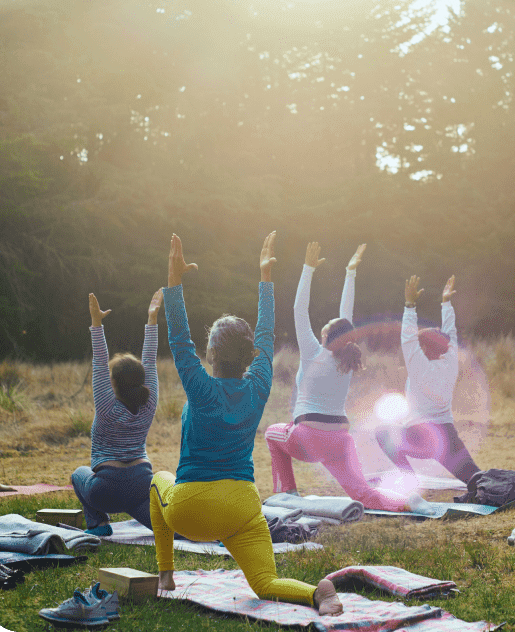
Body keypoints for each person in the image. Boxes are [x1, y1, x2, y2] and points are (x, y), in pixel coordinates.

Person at [150, 233, 342, 615]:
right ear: (250, 354)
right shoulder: (258, 387)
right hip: (242, 507)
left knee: (158, 478)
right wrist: (265, 279)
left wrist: (174, 283)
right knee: (265, 584)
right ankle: (316, 593)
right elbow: (267, 337)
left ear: (212, 354)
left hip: (191, 510)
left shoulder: (201, 387)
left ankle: (166, 574)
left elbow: (178, 337)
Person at [265, 242, 423, 513]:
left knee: (271, 433)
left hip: (307, 438)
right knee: (363, 493)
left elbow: (299, 309)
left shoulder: (313, 353)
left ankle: (287, 493)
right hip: (340, 439)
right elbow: (346, 317)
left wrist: (308, 269)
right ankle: (407, 503)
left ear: (325, 336)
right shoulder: (347, 361)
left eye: (325, 328)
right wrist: (350, 274)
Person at [376, 275, 481, 488]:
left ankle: (409, 478)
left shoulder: (419, 367)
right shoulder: (451, 361)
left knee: (382, 433)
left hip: (420, 438)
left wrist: (410, 305)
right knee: (478, 480)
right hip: (447, 438)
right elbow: (450, 332)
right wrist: (446, 303)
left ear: (423, 348)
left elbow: (407, 338)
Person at [71, 290, 162, 535]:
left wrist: (96, 322)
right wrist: (152, 320)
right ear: (142, 381)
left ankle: (99, 524)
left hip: (106, 490)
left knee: (78, 474)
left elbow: (99, 361)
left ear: (112, 383)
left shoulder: (106, 407)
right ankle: (210, 532)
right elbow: (150, 361)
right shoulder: (149, 403)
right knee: (169, 528)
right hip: (142, 484)